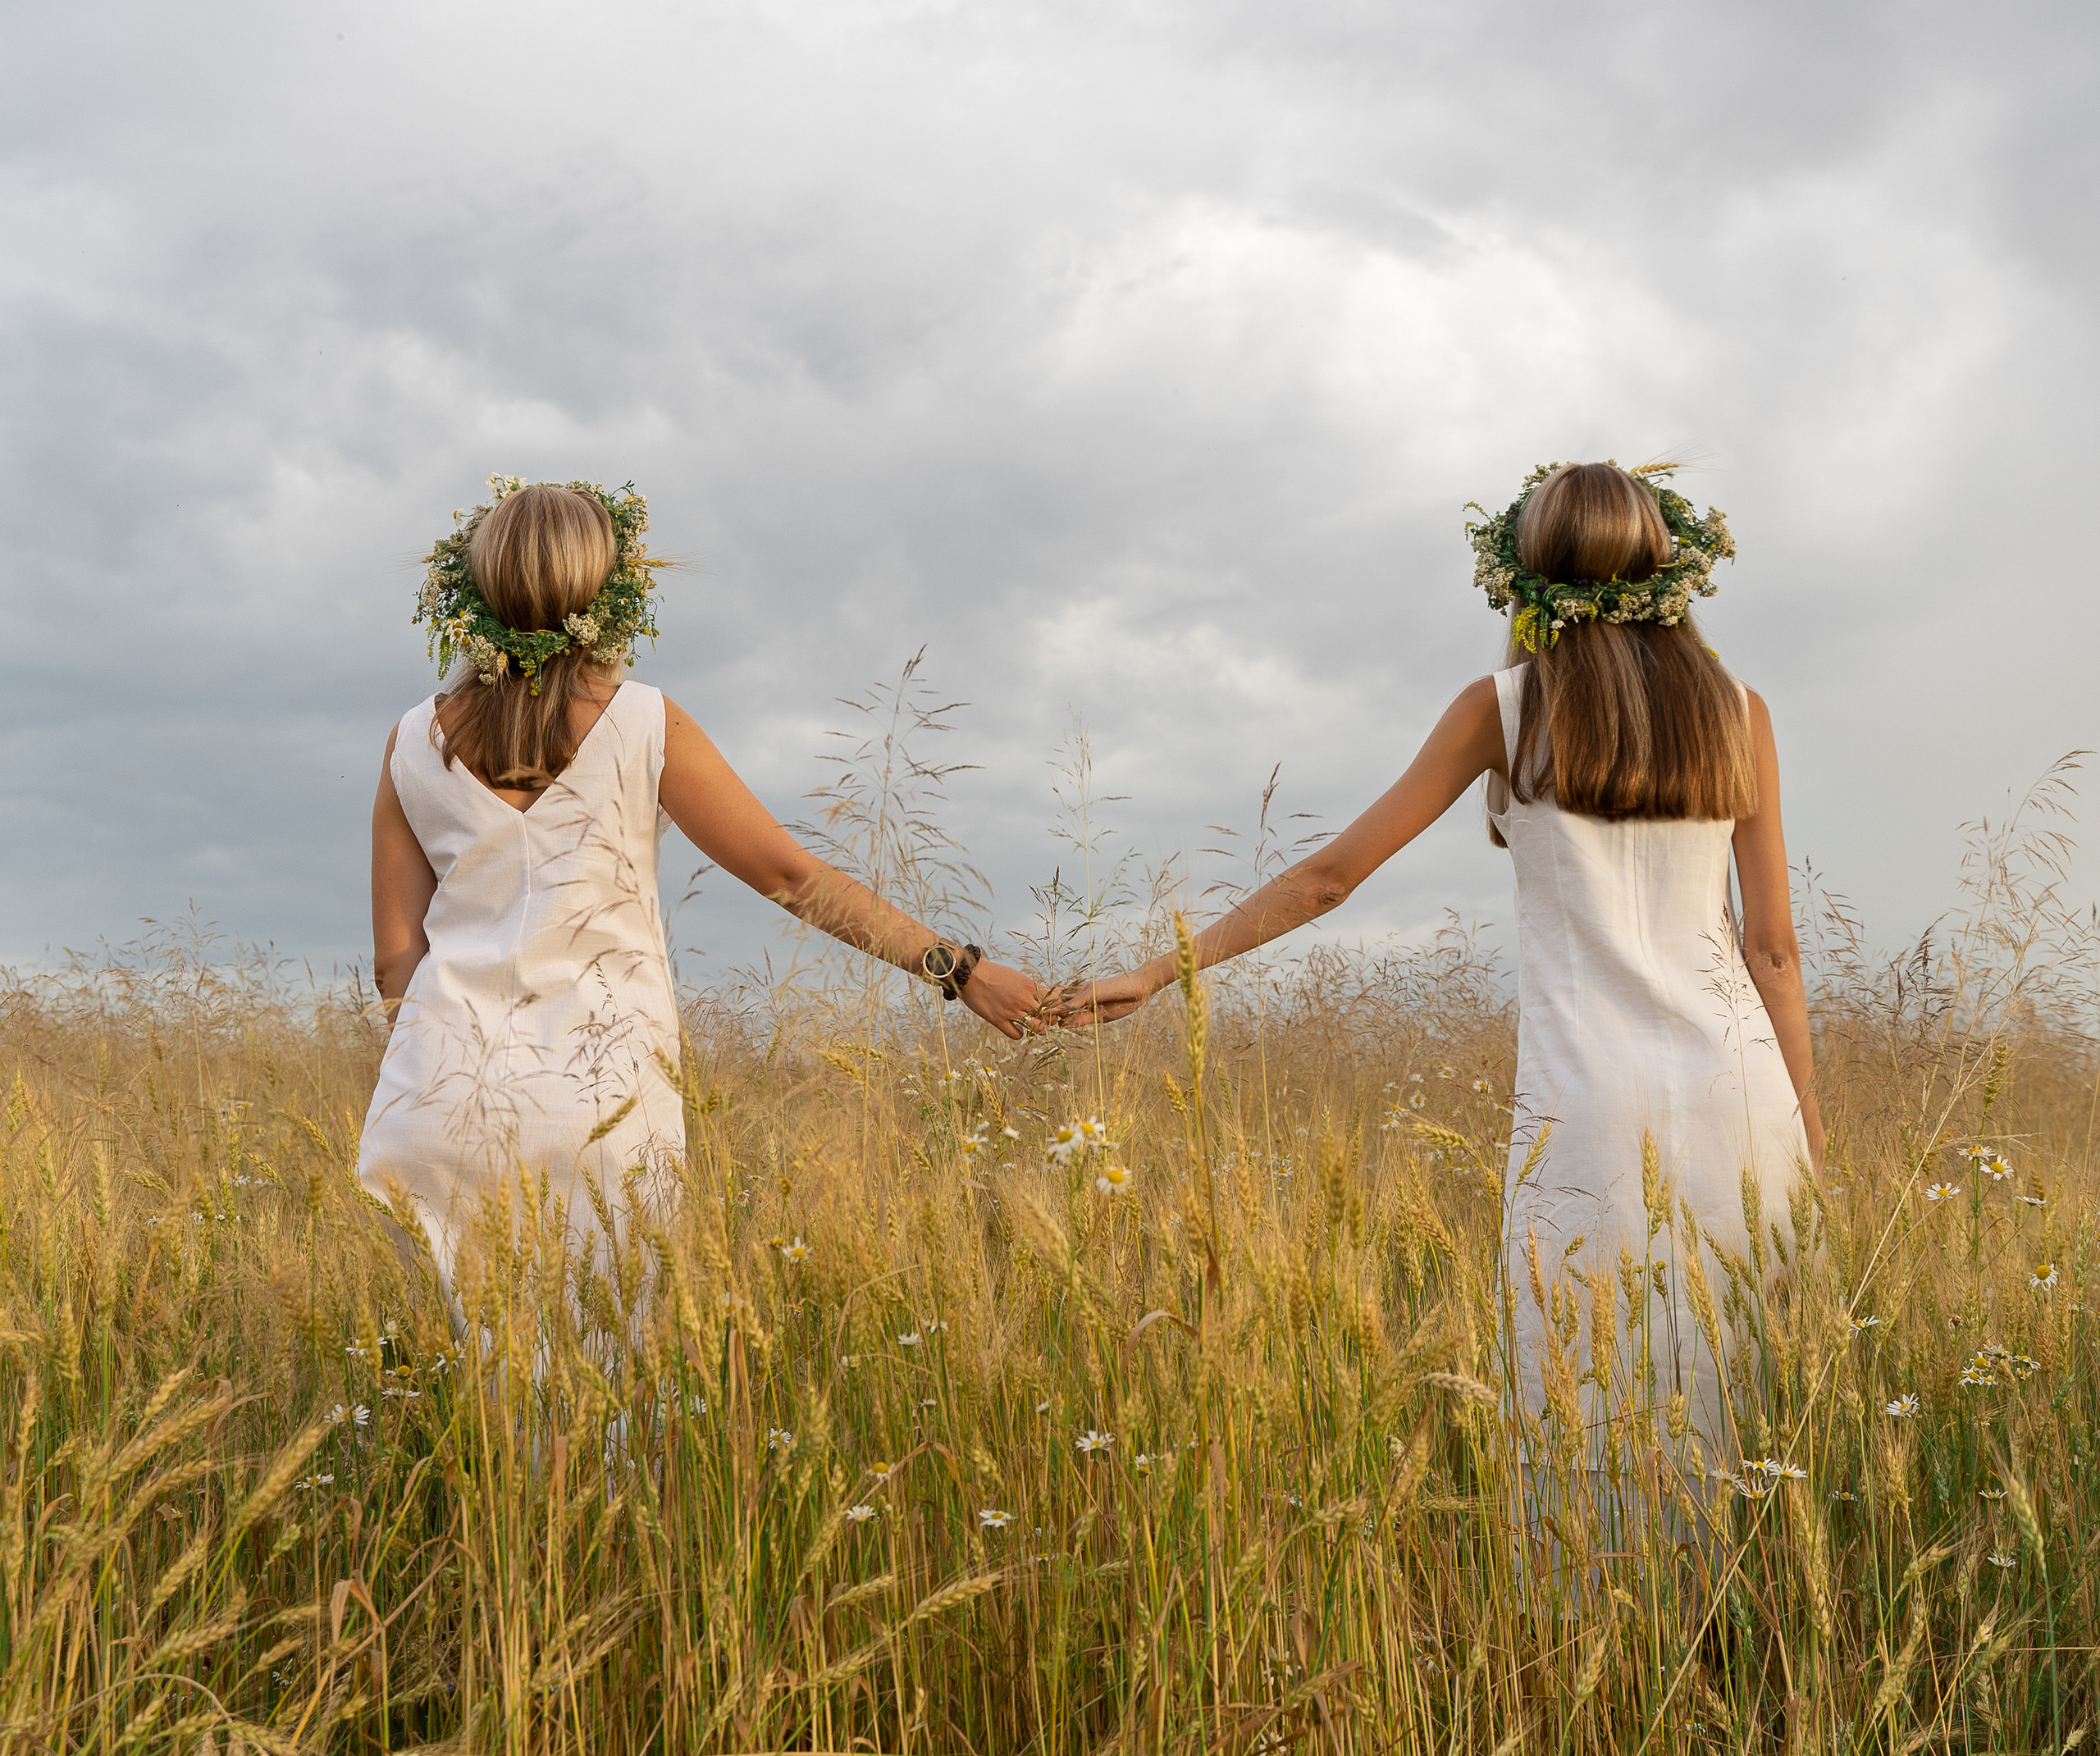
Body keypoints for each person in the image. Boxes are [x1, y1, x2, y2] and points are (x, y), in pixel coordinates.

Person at [1063, 459, 1819, 1484]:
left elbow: (1331, 877)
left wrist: (1161, 972)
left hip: (1586, 1104)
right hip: (1744, 1102)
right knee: (1752, 1410)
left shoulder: (1503, 707)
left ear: (1523, 574)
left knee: (1585, 1398)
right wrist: (1807, 1133)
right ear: (1665, 562)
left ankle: (1599, 1626)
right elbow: (1770, 950)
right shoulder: (1741, 710)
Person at [358, 476, 1041, 1274]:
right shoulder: (646, 723)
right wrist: (958, 971)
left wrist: (444, 1075)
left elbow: (393, 963)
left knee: (472, 1390)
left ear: (470, 587)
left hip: (438, 1107)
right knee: (607, 1386)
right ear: (606, 591)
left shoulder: (411, 739)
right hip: (601, 1104)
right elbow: (791, 876)